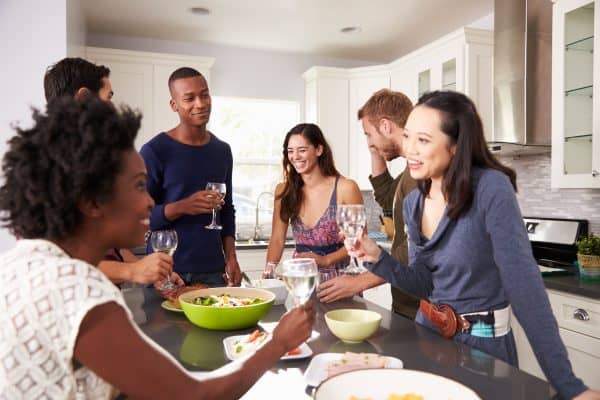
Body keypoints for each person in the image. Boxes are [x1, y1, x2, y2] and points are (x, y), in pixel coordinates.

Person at [0, 96, 315, 399]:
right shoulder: (78, 288)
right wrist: (277, 342)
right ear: (92, 202)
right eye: (139, 185)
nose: (150, 201)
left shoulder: (21, 263)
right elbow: (193, 397)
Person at [346, 90, 600, 400]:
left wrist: (569, 387)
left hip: (482, 349)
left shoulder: (491, 188)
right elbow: (426, 283)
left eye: (423, 140)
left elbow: (524, 287)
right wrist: (377, 258)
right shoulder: (414, 202)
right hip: (428, 338)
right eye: (408, 136)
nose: (409, 149)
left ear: (455, 147)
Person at [43, 57, 180, 289]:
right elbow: (58, 261)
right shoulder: (48, 164)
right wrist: (133, 270)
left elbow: (106, 245)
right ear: (84, 97)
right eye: (109, 98)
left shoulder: (86, 159)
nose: (114, 110)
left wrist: (148, 270)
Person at [318, 89, 420, 318]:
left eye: (368, 134)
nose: (368, 142)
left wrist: (359, 283)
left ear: (385, 126)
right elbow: (387, 197)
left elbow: (413, 248)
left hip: (420, 307)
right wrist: (376, 151)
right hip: (408, 301)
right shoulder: (410, 172)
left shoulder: (419, 174)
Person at [140, 67, 241, 287]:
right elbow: (139, 217)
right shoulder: (154, 151)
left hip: (214, 272)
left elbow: (227, 210)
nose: (200, 103)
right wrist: (183, 206)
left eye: (204, 95)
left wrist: (231, 257)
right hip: (166, 271)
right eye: (189, 98)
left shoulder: (222, 151)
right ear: (174, 105)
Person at [265, 123, 364, 279]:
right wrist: (269, 271)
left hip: (340, 279)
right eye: (290, 151)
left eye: (302, 150)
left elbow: (360, 239)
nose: (295, 157)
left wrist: (326, 260)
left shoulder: (345, 188)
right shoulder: (284, 191)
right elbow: (277, 239)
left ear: (319, 149)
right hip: (300, 278)